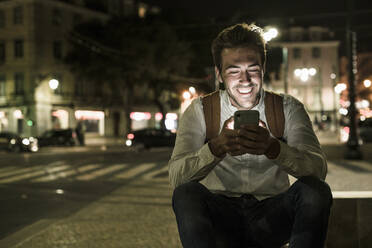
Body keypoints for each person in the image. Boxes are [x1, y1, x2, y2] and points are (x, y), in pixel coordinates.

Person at [168, 23, 332, 248]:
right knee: (186, 193)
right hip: (221, 218)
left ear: (263, 68)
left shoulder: (287, 108)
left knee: (316, 191)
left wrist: (274, 148)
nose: (244, 79)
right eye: (234, 70)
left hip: (272, 216)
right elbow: (176, 177)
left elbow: (318, 170)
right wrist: (215, 148)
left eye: (252, 69)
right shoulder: (200, 110)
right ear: (219, 74)